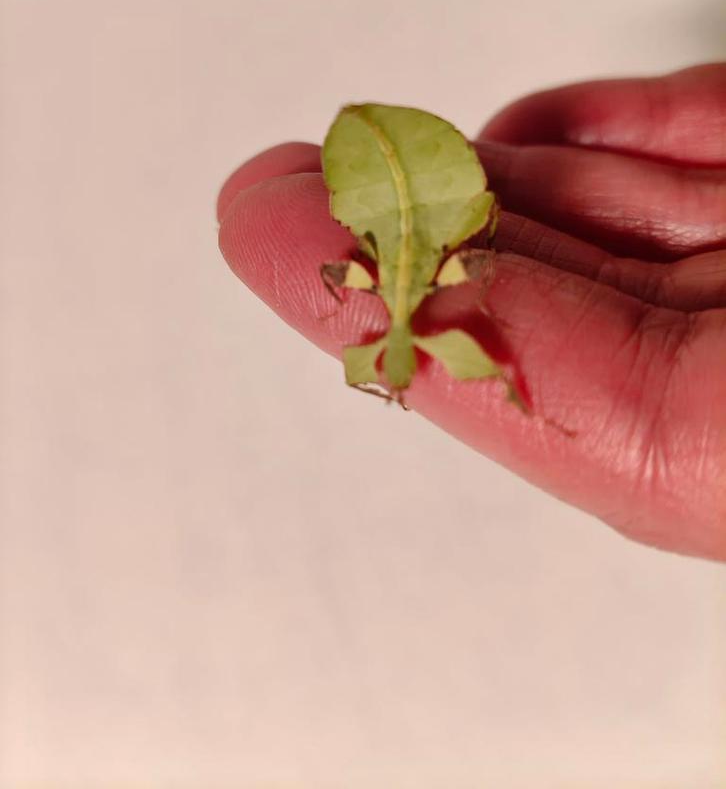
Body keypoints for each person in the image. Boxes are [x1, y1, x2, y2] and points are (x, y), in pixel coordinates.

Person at [216, 63, 726, 562]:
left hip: (409, 204)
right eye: (393, 388)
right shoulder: (385, 310)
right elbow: (368, 326)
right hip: (412, 202)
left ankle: (535, 410)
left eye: (388, 385)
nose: (391, 386)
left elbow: (367, 330)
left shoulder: (384, 317)